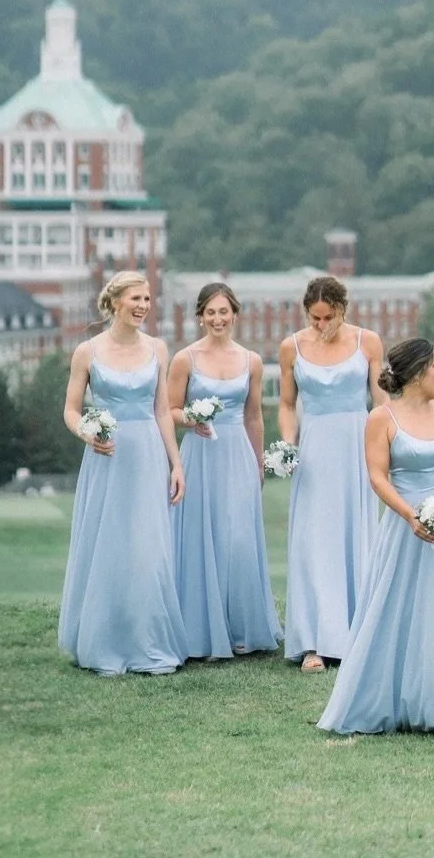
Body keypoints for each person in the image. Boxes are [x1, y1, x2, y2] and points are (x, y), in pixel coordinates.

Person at [318, 339, 434, 740]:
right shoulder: (381, 418)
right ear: (417, 372)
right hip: (406, 527)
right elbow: (378, 477)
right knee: (396, 610)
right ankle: (384, 700)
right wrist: (409, 514)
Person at [58, 271, 188, 675]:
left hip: (148, 455)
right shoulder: (88, 352)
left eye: (148, 299)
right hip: (108, 459)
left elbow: (162, 410)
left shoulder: (158, 348)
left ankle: (148, 641)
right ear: (115, 302)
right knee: (110, 545)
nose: (143, 306)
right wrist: (86, 433)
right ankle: (104, 642)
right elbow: (71, 410)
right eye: (136, 298)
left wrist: (176, 464)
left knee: (148, 548)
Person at [169, 281, 281, 659]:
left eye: (224, 311)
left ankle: (241, 628)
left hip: (236, 454)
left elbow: (254, 415)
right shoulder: (184, 359)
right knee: (203, 537)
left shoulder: (251, 361)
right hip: (199, 454)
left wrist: (258, 461)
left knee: (237, 540)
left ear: (234, 314)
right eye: (210, 312)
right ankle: (200, 631)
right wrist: (190, 418)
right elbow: (167, 410)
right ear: (200, 317)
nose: (217, 318)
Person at [279, 275, 385, 670]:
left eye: (328, 317)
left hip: (357, 443)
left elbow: (380, 401)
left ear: (343, 310)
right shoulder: (292, 346)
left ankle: (359, 632)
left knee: (355, 533)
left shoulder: (367, 342)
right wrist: (288, 443)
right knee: (313, 539)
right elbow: (288, 404)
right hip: (315, 448)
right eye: (314, 318)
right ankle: (313, 641)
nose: (321, 325)